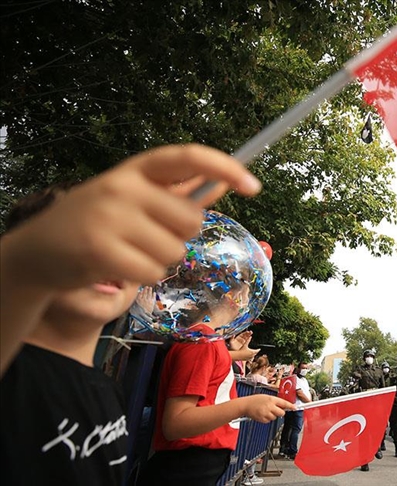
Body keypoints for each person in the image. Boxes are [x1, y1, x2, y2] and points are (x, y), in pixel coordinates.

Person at [0, 144, 262, 485]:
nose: (107, 260)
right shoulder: (11, 369)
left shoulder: (105, 391)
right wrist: (17, 267)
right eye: (84, 241)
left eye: (127, 247)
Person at [140, 282, 292, 485]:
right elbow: (175, 423)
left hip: (195, 463)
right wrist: (245, 405)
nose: (247, 302)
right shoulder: (201, 341)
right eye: (246, 294)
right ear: (231, 296)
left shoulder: (208, 341)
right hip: (186, 464)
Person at [352, 349, 385, 471]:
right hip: (364, 402)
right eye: (367, 356)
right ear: (364, 358)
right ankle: (364, 460)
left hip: (376, 402)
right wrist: (358, 375)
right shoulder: (360, 370)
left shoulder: (378, 371)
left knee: (377, 427)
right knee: (364, 431)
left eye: (371, 356)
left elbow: (383, 387)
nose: (369, 358)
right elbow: (354, 375)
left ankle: (377, 447)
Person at [279, 363, 311, 460]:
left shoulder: (304, 380)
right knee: (295, 429)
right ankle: (292, 451)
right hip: (296, 408)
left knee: (289, 428)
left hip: (299, 407)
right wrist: (310, 403)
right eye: (302, 368)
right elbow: (299, 393)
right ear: (298, 368)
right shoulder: (294, 379)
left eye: (306, 368)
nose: (304, 370)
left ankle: (284, 448)